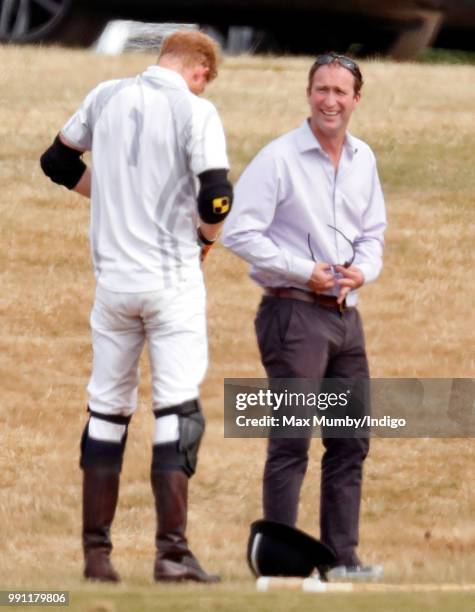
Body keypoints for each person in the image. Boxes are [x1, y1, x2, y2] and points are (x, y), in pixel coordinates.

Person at [40, 30, 232, 583]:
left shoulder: (104, 95)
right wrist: (205, 241)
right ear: (198, 67)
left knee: (106, 413)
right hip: (171, 284)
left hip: (113, 288)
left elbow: (56, 161)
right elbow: (217, 195)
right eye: (205, 76)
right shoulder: (197, 111)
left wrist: (114, 202)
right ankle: (172, 555)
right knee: (176, 414)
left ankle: (96, 557)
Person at [222, 53, 386, 580]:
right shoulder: (279, 158)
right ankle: (281, 565)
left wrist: (363, 271)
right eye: (321, 90)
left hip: (346, 318)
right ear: (308, 93)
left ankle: (341, 560)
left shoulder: (364, 159)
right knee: (292, 439)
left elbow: (373, 234)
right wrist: (303, 270)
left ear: (356, 99)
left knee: (350, 440)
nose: (330, 101)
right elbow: (238, 232)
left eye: (341, 91)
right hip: (293, 315)